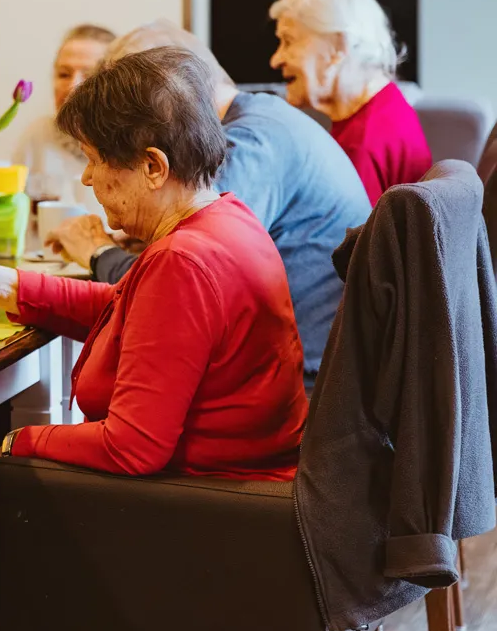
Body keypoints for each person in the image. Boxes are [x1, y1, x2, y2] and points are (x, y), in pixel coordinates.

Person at [0, 48, 309, 631]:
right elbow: (135, 316)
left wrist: (16, 445)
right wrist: (14, 285)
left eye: (98, 162)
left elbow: (133, 449)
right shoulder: (223, 221)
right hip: (240, 493)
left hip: (204, 517)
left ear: (154, 166)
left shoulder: (185, 260)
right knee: (7, 516)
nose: (88, 179)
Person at [44, 20, 371, 389]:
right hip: (303, 375)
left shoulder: (247, 143)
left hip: (308, 387)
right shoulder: (262, 117)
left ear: (170, 91)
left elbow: (173, 288)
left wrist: (97, 250)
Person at [269, 0, 431, 204]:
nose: (276, 60)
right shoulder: (387, 105)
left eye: (288, 41)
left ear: (339, 47)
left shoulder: (363, 144)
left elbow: (347, 239)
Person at [13, 24, 115, 222]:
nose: (72, 85)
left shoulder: (130, 147)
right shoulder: (37, 135)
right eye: (64, 74)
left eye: (88, 74)